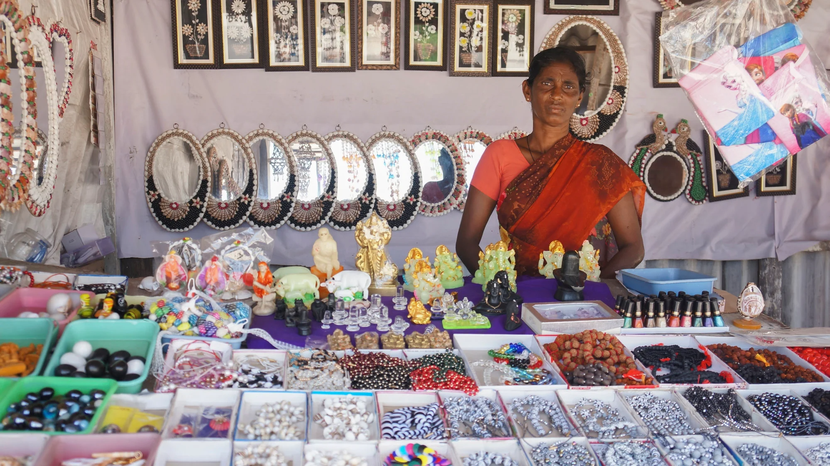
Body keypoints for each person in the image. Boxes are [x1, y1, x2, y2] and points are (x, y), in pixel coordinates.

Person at [456, 47, 645, 278]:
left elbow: (633, 248)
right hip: (517, 298)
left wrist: (588, 291)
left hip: (581, 302)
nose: (557, 95)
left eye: (568, 86)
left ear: (579, 97)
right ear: (528, 90)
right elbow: (466, 243)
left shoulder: (601, 165)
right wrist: (502, 290)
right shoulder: (499, 154)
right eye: (547, 83)